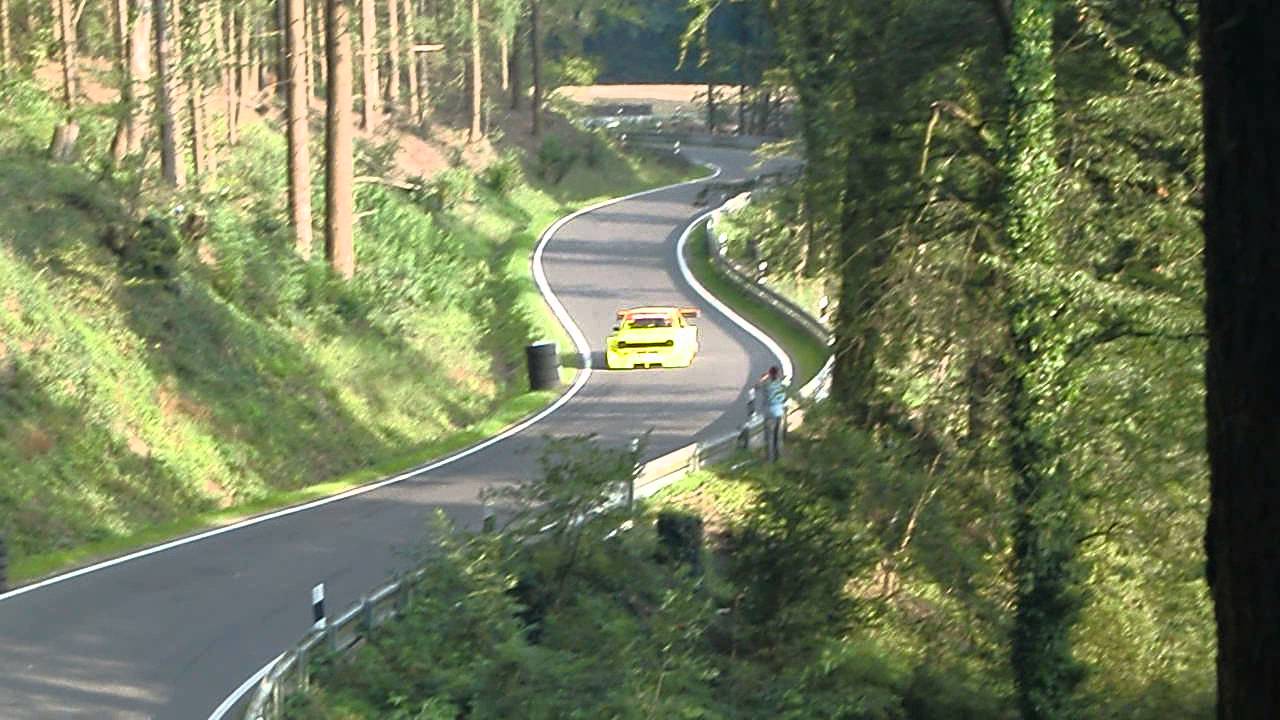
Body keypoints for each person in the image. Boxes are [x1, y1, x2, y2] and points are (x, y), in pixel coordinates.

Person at [756, 366, 788, 462]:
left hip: (769, 413)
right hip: (780, 412)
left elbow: (757, 386)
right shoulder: (781, 385)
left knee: (769, 437)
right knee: (778, 437)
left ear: (770, 374)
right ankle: (778, 458)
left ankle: (769, 459)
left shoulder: (767, 385)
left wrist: (763, 378)